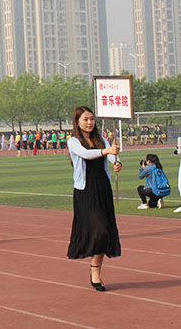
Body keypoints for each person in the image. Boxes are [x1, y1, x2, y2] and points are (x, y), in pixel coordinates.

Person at [66, 106, 121, 292]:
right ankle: (94, 269)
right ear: (77, 122)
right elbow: (86, 154)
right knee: (98, 229)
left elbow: (111, 158)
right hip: (86, 190)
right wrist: (106, 151)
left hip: (102, 188)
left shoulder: (101, 139)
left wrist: (116, 161)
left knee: (105, 231)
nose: (89, 122)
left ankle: (95, 270)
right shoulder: (73, 141)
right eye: (85, 119)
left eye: (91, 119)